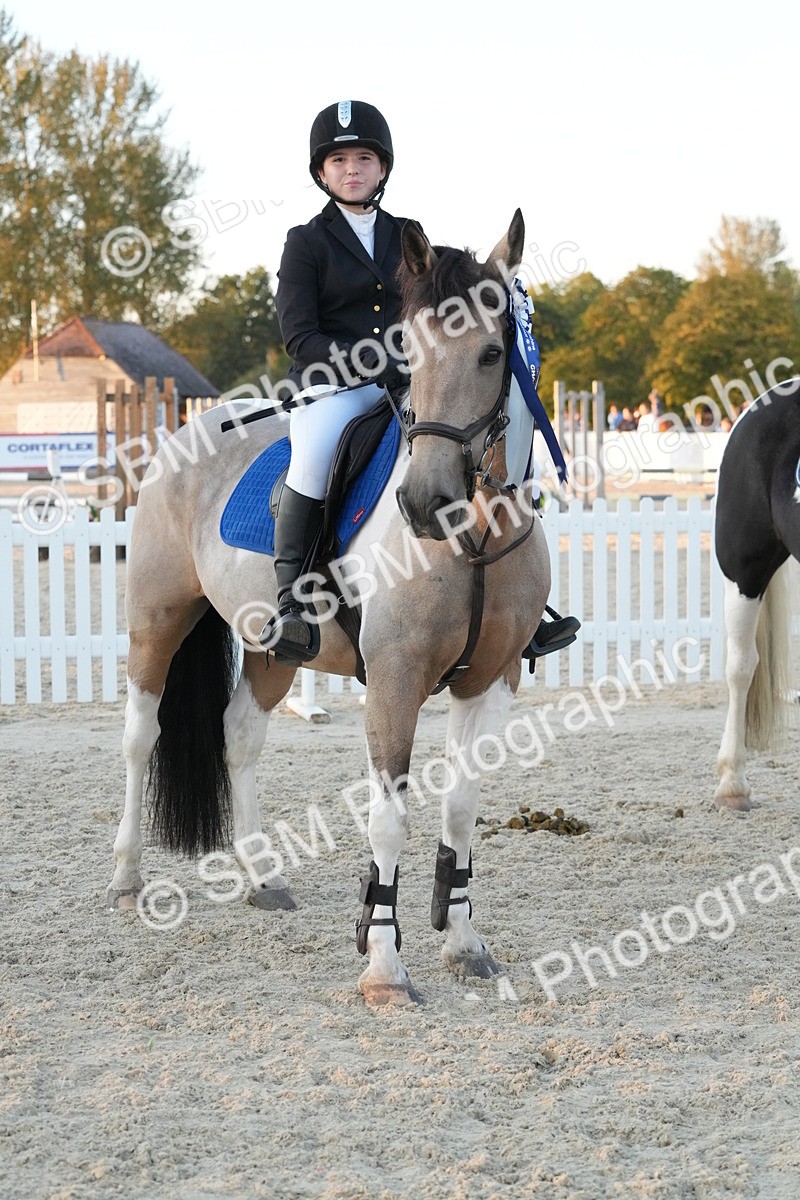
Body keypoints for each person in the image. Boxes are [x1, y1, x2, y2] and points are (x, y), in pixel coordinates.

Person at [260, 100, 578, 664]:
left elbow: (452, 294)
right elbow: (300, 337)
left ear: (382, 168)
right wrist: (374, 362)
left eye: (364, 159)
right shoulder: (305, 242)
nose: (352, 170)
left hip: (407, 385)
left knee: (482, 443)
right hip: (333, 387)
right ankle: (292, 601)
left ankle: (519, 606)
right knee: (314, 455)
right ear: (321, 172)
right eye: (339, 161)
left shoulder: (408, 237)